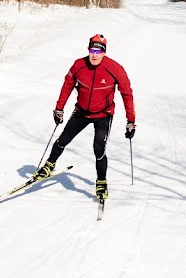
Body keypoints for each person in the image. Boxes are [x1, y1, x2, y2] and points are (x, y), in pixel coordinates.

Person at [33, 34, 136, 202]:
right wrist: (59, 109)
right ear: (88, 50)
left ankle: (101, 181)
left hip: (104, 114)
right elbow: (67, 86)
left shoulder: (115, 68)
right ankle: (49, 165)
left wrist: (130, 121)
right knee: (63, 140)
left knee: (98, 148)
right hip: (81, 112)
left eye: (99, 51)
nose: (94, 55)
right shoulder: (79, 65)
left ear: (104, 52)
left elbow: (127, 93)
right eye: (92, 50)